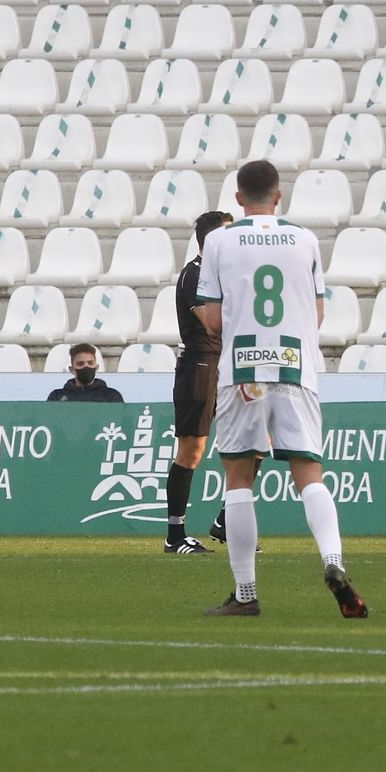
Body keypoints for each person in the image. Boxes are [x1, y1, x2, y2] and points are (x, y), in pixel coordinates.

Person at [195, 160, 366, 618]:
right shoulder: (304, 239)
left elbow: (212, 319)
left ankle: (246, 595)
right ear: (279, 196)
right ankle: (333, 561)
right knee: (309, 473)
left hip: (243, 369)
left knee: (239, 480)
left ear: (237, 198)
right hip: (295, 365)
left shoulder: (219, 240)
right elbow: (318, 315)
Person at [162, 210, 234, 555]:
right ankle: (175, 536)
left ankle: (226, 520)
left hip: (231, 363)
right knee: (192, 450)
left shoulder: (227, 274)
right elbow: (211, 323)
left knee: (257, 438)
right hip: (201, 364)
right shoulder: (195, 275)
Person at [46, 343, 124, 402]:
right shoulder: (56, 397)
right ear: (71, 369)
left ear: (96, 368)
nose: (86, 367)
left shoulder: (111, 397)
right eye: (80, 364)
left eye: (90, 363)